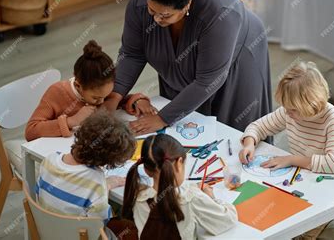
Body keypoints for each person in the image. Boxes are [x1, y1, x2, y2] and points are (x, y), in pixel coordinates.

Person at [104, 0, 272, 135]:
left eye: (165, 15)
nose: (156, 20)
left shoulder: (221, 13)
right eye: (152, 11)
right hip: (200, 67)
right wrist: (114, 97)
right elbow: (132, 54)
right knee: (183, 133)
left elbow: (207, 81)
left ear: (187, 5)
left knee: (231, 133)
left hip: (239, 54)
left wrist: (163, 118)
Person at [26, 40, 155, 141]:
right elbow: (31, 131)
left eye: (106, 96)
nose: (102, 102)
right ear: (78, 85)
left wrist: (137, 100)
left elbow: (117, 100)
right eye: (96, 98)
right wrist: (72, 121)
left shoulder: (103, 91)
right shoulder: (57, 92)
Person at [36, 111, 136, 239]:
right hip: (81, 236)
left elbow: (39, 193)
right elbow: (99, 224)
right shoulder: (96, 183)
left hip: (49, 232)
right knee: (131, 228)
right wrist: (103, 188)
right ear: (106, 161)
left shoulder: (50, 160)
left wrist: (103, 186)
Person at [121, 134, 237, 239]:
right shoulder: (190, 199)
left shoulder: (137, 193)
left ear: (146, 169)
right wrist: (211, 197)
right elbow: (228, 219)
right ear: (179, 163)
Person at [239, 62, 334, 174]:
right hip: (303, 174)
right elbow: (258, 127)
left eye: (293, 109)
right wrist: (249, 144)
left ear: (312, 104)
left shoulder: (332, 118)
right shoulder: (288, 112)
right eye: (286, 107)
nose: (287, 112)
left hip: (330, 180)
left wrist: (291, 160)